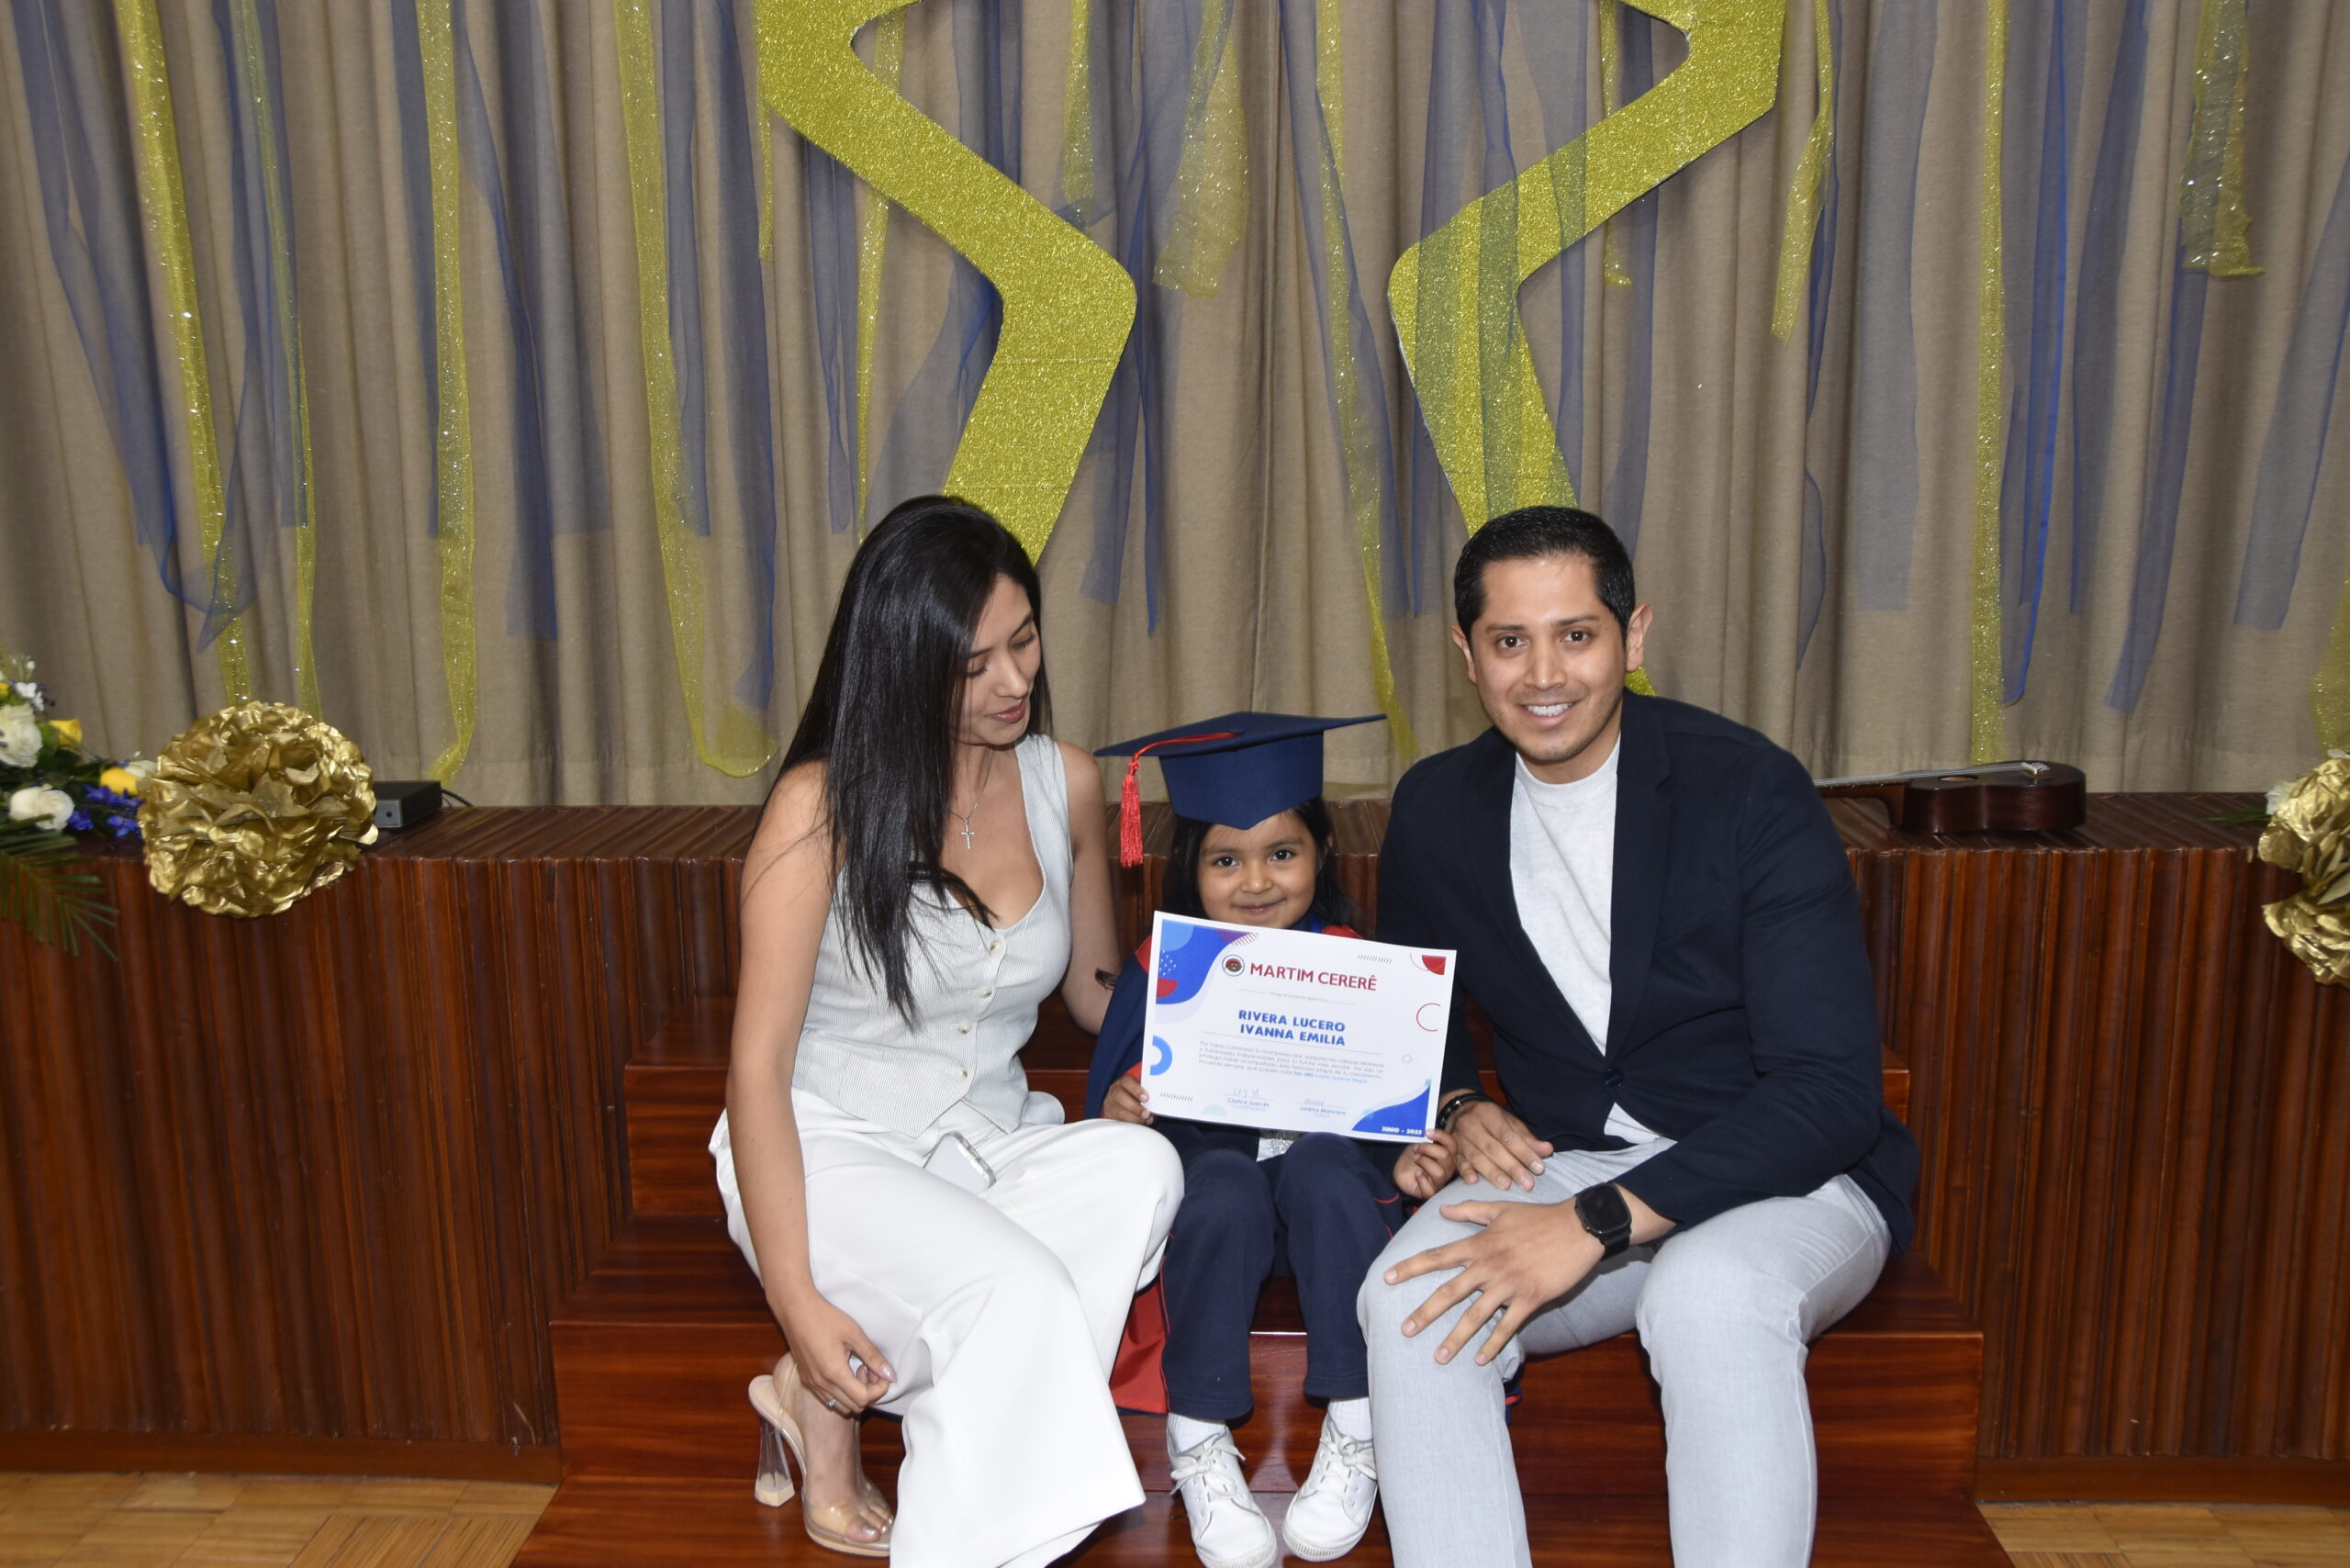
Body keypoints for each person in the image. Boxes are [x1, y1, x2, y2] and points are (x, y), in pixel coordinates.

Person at [1358, 506, 1921, 1568]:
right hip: (1577, 1156)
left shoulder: (1748, 787)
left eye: (1575, 634)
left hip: (1791, 1173)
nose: (1543, 674)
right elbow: (1412, 1011)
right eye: (1509, 640)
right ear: (1466, 655)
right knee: (1408, 1297)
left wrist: (1594, 1221)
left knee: (1708, 1296)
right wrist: (1460, 1105)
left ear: (1634, 635)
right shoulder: (1435, 807)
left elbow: (1828, 1094)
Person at [710, 496, 1185, 1568]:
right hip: (823, 1147)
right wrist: (794, 1297)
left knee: (1144, 1171)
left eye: (1025, 641)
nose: (1014, 680)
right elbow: (756, 1068)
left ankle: (843, 1414)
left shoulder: (1063, 779)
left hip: (987, 1140)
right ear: (902, 665)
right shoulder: (818, 807)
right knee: (1016, 1292)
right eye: (973, 665)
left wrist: (1245, 1012)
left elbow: (1094, 992)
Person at [1083, 716, 1458, 1568]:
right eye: (1226, 860)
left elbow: (1393, 1123)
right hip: (1215, 1228)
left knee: (1322, 1164)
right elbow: (1110, 1132)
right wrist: (1119, 1107)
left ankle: (1359, 1420)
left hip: (1335, 1219)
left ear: (1321, 856)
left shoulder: (1365, 969)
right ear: (1191, 870)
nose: (1255, 881)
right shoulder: (1159, 971)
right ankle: (1197, 1431)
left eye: (1281, 853)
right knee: (1221, 1180)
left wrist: (1408, 1159)